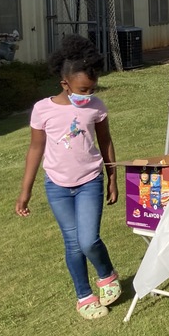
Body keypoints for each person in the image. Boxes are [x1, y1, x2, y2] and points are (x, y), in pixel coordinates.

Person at [15, 34, 121, 320]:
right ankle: (84, 295)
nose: (87, 95)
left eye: (91, 89)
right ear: (65, 84)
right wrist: (26, 191)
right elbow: (35, 149)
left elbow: (106, 142)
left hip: (89, 182)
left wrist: (112, 178)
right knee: (72, 243)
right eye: (83, 90)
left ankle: (107, 274)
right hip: (57, 187)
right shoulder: (43, 109)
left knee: (88, 240)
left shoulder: (96, 107)